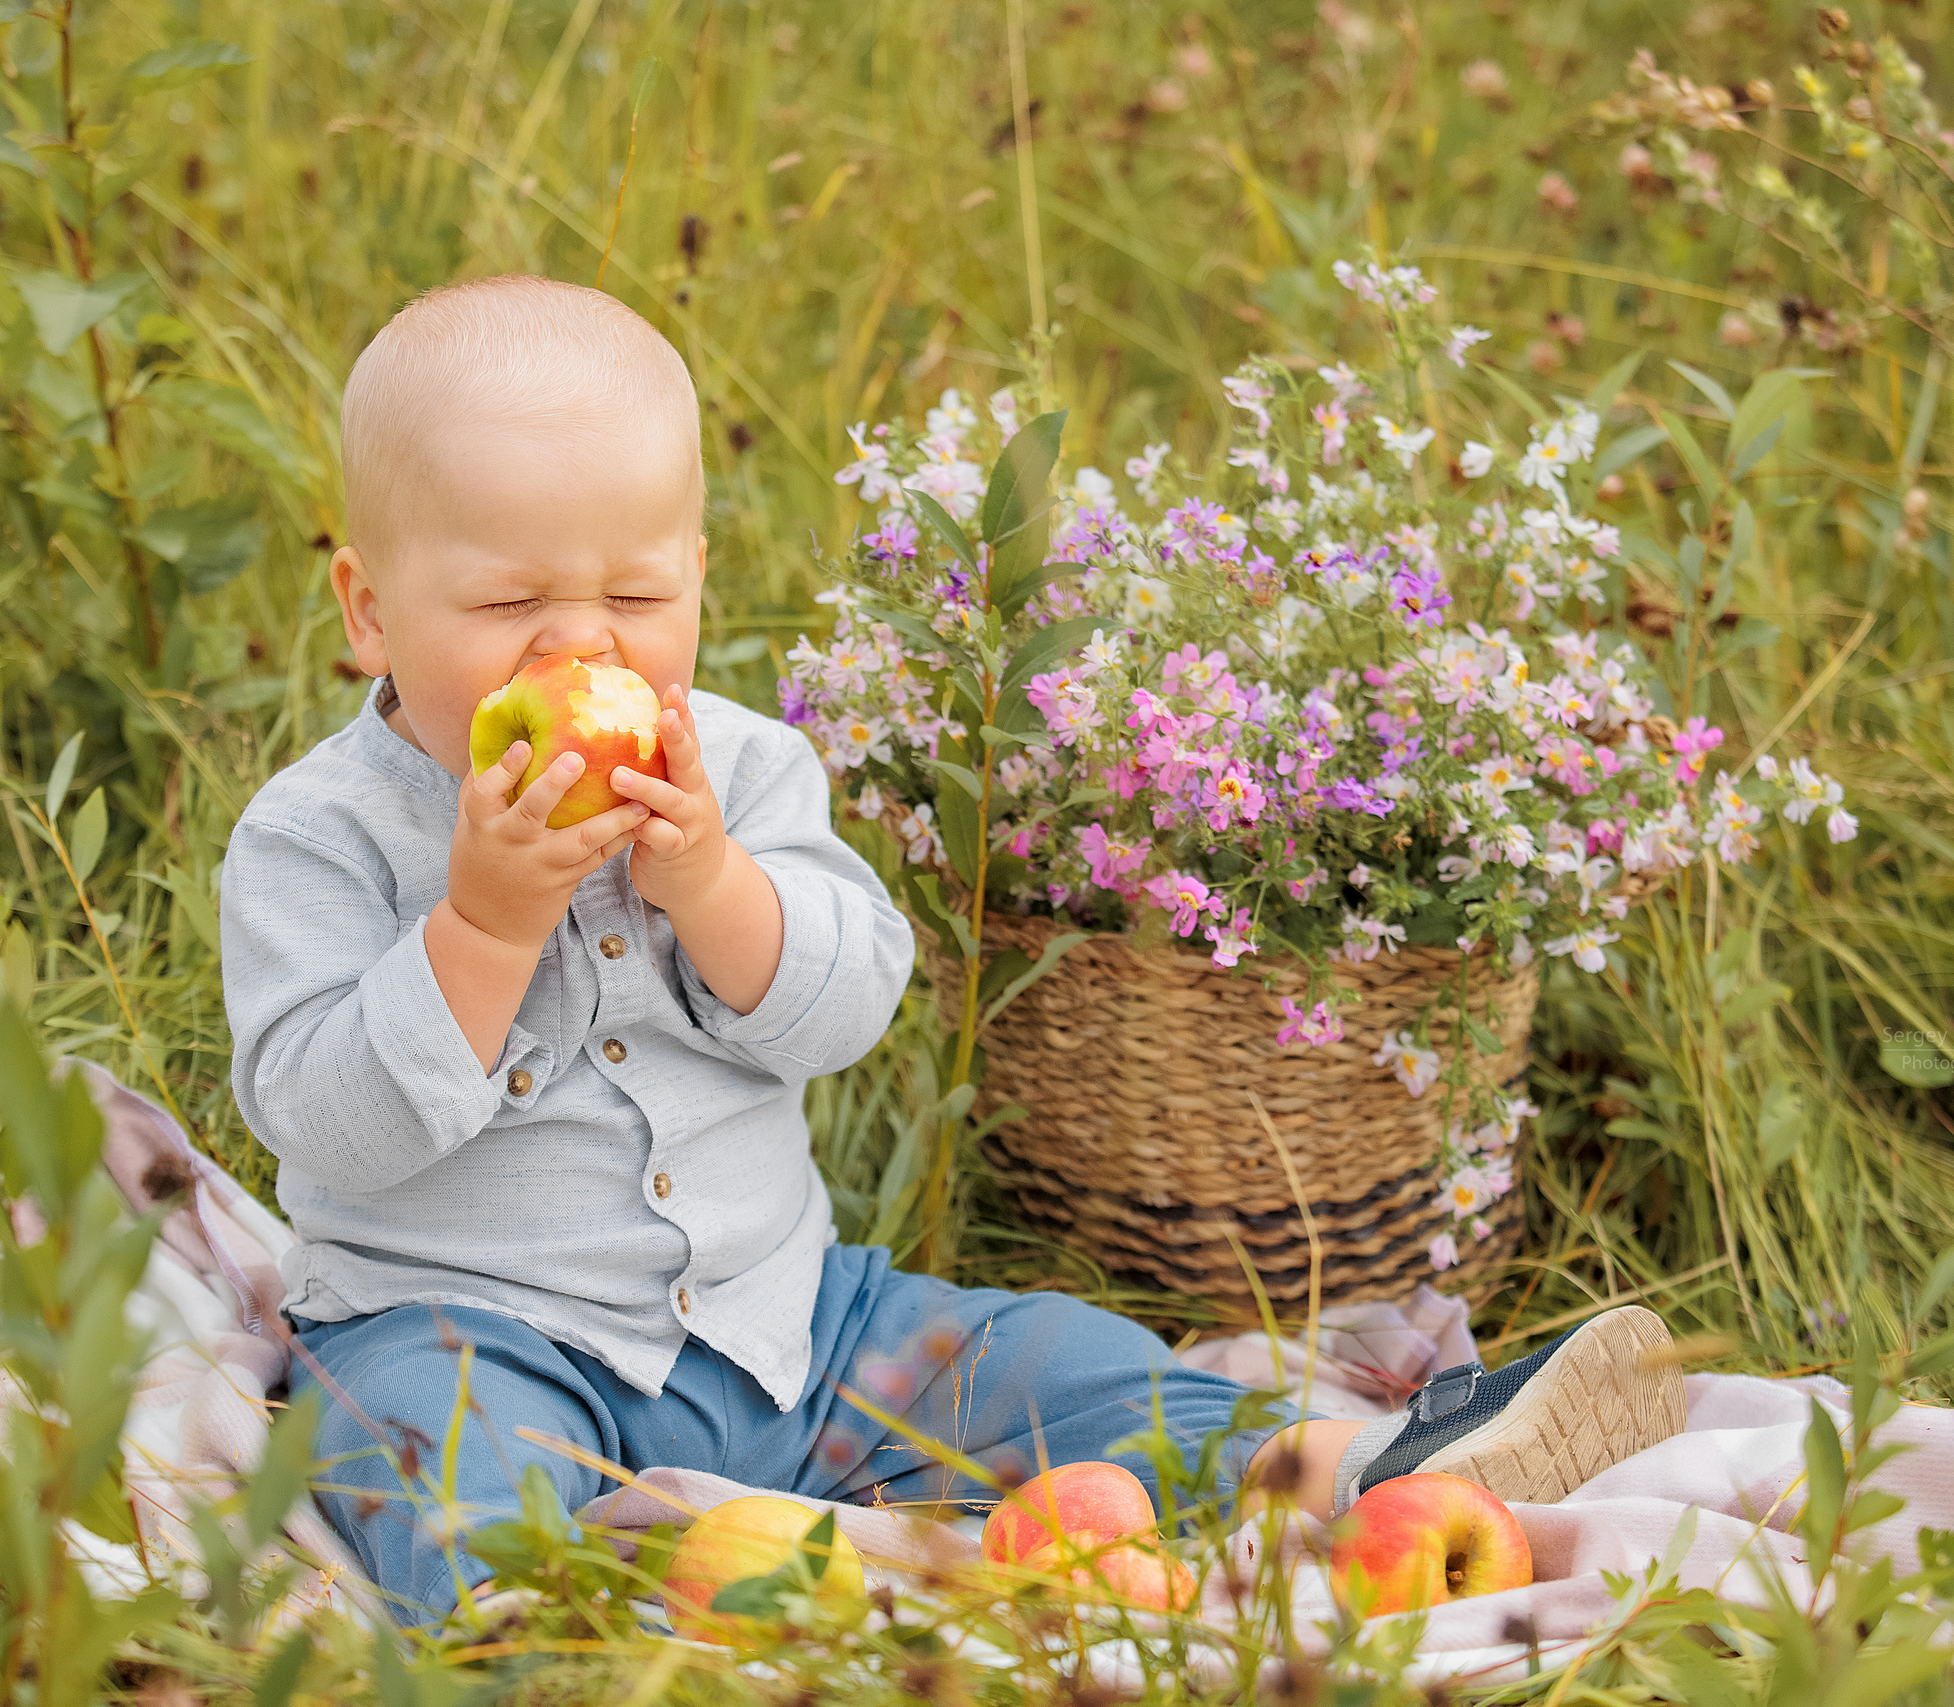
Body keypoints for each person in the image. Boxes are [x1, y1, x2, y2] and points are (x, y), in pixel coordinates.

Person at [219, 275, 1686, 1627]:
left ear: (700, 577)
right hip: (472, 1336)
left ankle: (1353, 1466)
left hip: (786, 1331)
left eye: (637, 597)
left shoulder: (742, 768)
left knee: (1053, 1359)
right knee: (411, 1452)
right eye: (508, 603)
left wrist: (715, 883)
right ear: (369, 612)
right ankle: (537, 1625)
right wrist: (484, 926)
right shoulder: (319, 839)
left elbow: (845, 1003)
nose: (580, 649)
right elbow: (328, 1123)